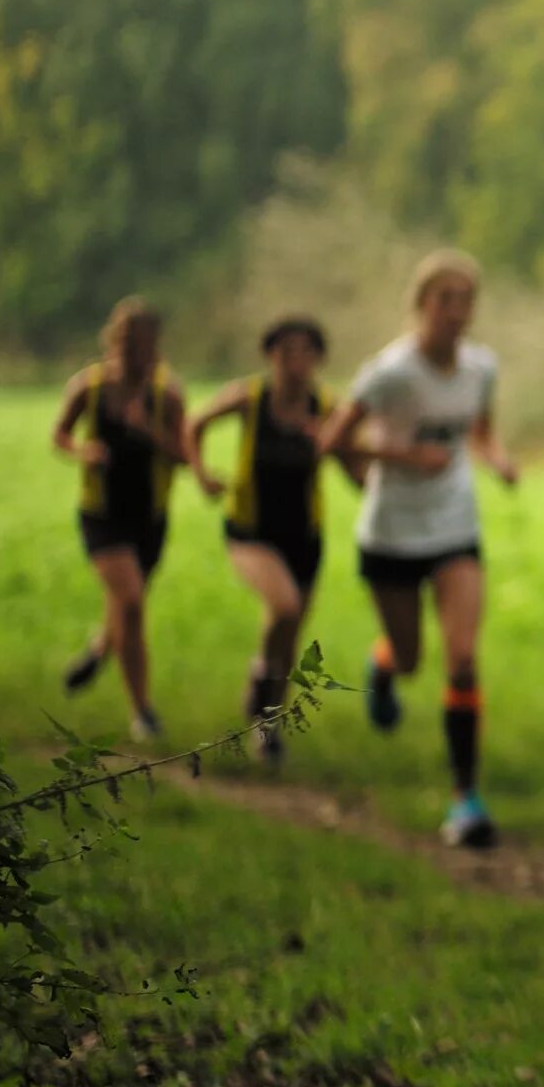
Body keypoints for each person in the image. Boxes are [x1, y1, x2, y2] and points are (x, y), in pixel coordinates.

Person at [318, 251, 518, 846]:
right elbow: (334, 441)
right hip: (392, 533)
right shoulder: (391, 374)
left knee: (461, 658)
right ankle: (384, 666)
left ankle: (466, 801)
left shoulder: (482, 367)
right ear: (421, 306)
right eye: (444, 299)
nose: (456, 312)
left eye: (465, 300)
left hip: (456, 527)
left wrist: (497, 457)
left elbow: (479, 429)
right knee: (412, 660)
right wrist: (404, 458)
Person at [183, 315, 350, 768]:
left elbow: (355, 467)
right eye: (285, 351)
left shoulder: (329, 406)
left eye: (305, 352)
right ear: (270, 355)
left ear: (318, 358)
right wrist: (201, 474)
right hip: (251, 530)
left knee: (290, 637)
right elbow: (193, 424)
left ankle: (268, 727)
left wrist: (336, 446)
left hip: (305, 537)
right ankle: (260, 677)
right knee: (284, 606)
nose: (295, 361)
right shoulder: (249, 397)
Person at [49, 296, 187, 744]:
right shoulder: (88, 388)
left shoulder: (167, 395)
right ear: (111, 340)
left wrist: (149, 429)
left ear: (156, 346)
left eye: (142, 341)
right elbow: (60, 435)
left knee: (125, 607)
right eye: (125, 339)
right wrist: (81, 450)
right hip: (102, 515)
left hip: (149, 517)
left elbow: (184, 455)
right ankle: (143, 712)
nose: (132, 349)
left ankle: (98, 650)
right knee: (130, 603)